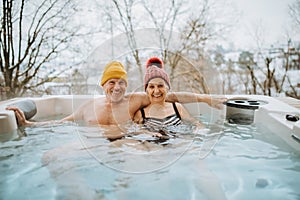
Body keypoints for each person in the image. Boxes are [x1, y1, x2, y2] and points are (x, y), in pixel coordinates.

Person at [7, 61, 225, 139]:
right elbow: (61, 124)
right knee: (52, 158)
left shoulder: (135, 100)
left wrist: (206, 98)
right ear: (103, 85)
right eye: (112, 82)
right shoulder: (88, 107)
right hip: (97, 146)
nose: (117, 86)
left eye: (121, 82)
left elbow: (170, 95)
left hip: (127, 144)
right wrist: (29, 125)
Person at [133, 57, 204, 139]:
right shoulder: (141, 114)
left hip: (178, 144)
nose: (156, 91)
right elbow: (136, 131)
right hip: (154, 147)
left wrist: (197, 131)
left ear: (167, 88)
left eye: (160, 86)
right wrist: (148, 133)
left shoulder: (177, 108)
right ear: (147, 91)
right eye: (152, 87)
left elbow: (196, 123)